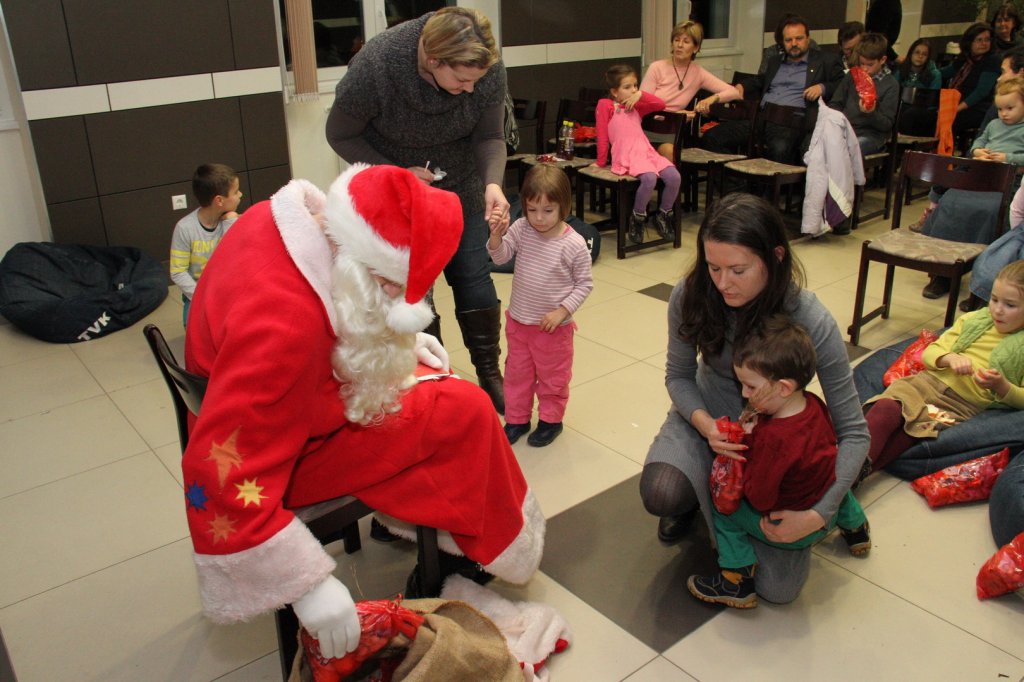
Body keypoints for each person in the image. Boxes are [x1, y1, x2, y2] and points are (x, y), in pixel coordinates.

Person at [181, 163, 544, 659]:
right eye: (394, 287)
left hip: (284, 404)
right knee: (466, 411)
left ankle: (446, 533)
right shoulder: (285, 326)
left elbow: (328, 307)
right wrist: (306, 585)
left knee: (444, 394)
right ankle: (474, 550)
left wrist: (400, 342)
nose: (399, 304)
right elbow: (219, 468)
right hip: (275, 465)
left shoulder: (276, 219)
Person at [639, 193, 869, 604]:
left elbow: (854, 431)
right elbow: (678, 376)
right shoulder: (691, 293)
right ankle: (698, 496)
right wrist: (705, 426)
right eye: (713, 267)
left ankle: (726, 502)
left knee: (779, 590)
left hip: (774, 442)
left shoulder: (810, 318)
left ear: (775, 257)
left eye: (738, 270)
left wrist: (818, 514)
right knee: (662, 491)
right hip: (709, 418)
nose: (722, 283)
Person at [326, 7, 511, 414]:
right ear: (433, 59)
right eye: (461, 80)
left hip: (462, 188)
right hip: (401, 196)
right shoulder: (377, 65)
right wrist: (396, 174)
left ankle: (490, 373)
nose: (470, 89)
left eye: (476, 81)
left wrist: (492, 183)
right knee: (414, 295)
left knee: (473, 277)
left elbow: (490, 136)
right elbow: (339, 134)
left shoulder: (485, 66)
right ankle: (437, 379)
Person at [687, 316, 870, 609]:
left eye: (750, 386)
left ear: (783, 388)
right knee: (831, 478)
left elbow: (760, 497)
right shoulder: (813, 403)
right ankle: (857, 530)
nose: (744, 394)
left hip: (788, 525)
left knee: (723, 509)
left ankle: (737, 579)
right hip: (827, 509)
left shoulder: (773, 440)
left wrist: (749, 446)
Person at [859, 260, 1024, 480]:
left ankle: (843, 479)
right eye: (994, 299)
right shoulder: (973, 320)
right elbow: (930, 352)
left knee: (913, 431)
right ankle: (844, 476)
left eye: (1010, 305)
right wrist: (949, 358)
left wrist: (1001, 386)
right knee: (887, 408)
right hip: (925, 383)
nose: (998, 310)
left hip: (961, 406)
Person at [487, 165, 593, 448]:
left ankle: (551, 421)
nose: (539, 218)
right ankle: (517, 419)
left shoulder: (574, 244)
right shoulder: (522, 228)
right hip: (519, 323)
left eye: (548, 210)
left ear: (563, 206)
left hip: (553, 330)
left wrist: (562, 311)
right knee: (516, 375)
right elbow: (500, 257)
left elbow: (584, 284)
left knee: (553, 378)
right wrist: (496, 236)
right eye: (532, 209)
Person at [913, 76, 1024, 298]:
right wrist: (978, 152)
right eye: (1000, 109)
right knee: (951, 201)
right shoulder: (993, 125)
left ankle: (983, 280)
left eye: (1010, 108)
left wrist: (1008, 157)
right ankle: (943, 272)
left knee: (991, 212)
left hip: (1009, 182)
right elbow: (978, 143)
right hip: (981, 176)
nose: (1004, 113)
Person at [703, 15, 843, 165]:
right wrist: (742, 86)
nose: (794, 44)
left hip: (792, 123)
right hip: (761, 118)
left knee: (780, 148)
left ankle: (776, 181)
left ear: (808, 39)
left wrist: (822, 87)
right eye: (788, 40)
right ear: (783, 42)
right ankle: (736, 177)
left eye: (799, 38)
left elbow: (843, 83)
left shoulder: (825, 60)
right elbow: (761, 80)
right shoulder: (775, 61)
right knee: (712, 137)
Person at [595, 64, 683, 245]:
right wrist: (601, 162)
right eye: (627, 87)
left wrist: (641, 95)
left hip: (646, 152)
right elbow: (602, 135)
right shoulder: (606, 105)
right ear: (614, 91)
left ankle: (663, 214)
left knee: (674, 177)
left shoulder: (637, 106)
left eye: (635, 85)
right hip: (626, 154)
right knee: (649, 178)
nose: (633, 90)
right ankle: (638, 217)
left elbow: (660, 104)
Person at [639, 20, 740, 159]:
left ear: (696, 48)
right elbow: (642, 107)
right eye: (676, 40)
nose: (679, 45)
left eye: (686, 41)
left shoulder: (698, 73)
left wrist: (712, 99)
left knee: (670, 153)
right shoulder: (657, 68)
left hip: (670, 134)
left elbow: (735, 92)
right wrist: (676, 116)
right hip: (646, 130)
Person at [168, 163, 241, 326]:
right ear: (219, 200)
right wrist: (202, 298)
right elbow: (178, 272)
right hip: (198, 293)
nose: (240, 195)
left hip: (229, 290)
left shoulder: (232, 221)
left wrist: (231, 223)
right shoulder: (184, 228)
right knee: (196, 328)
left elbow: (236, 259)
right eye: (236, 192)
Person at [826, 33, 899, 156]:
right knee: (815, 146)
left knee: (849, 150)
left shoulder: (890, 84)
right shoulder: (852, 76)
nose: (864, 69)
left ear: (882, 60)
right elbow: (836, 103)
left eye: (870, 65)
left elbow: (886, 124)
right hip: (845, 130)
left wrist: (871, 113)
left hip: (871, 136)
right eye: (861, 63)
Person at [940, 22, 1001, 143]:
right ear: (969, 42)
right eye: (979, 40)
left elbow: (981, 92)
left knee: (949, 120)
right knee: (923, 115)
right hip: (956, 104)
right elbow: (943, 73)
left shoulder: (992, 60)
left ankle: (944, 152)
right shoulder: (965, 59)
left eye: (987, 40)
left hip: (978, 107)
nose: (984, 43)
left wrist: (956, 109)